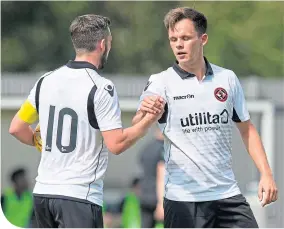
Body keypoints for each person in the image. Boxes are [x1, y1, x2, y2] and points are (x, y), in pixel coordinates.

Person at [9, 14, 164, 228]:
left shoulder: (45, 80)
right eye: (110, 42)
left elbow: (16, 128)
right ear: (102, 44)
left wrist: (41, 143)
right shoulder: (101, 87)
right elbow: (116, 144)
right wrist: (148, 121)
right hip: (78, 196)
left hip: (43, 194)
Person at [132, 7, 278, 228]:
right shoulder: (160, 82)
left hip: (227, 195)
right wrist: (145, 111)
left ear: (203, 39)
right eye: (173, 39)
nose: (178, 44)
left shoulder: (227, 79)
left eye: (185, 38)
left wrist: (266, 174)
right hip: (184, 200)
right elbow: (137, 123)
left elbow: (247, 130)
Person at [139, 127, 165, 228]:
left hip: (145, 195)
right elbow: (161, 176)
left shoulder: (147, 148)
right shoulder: (163, 149)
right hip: (159, 196)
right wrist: (161, 203)